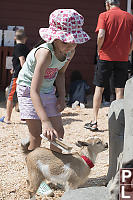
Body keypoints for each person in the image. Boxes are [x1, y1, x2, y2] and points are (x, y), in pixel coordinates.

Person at [16, 9, 90, 196]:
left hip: (48, 90)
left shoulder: (69, 51)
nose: (70, 44)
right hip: (28, 90)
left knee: (58, 133)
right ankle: (36, 176)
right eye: (65, 41)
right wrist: (45, 121)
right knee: (36, 136)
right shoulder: (44, 53)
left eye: (74, 40)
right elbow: (33, 91)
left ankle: (54, 171)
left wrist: (62, 96)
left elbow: (61, 73)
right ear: (54, 38)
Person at [84, 0, 133, 131]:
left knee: (99, 88)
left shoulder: (104, 15)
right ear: (119, 4)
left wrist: (99, 50)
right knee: (119, 89)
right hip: (122, 57)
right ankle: (119, 123)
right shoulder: (129, 16)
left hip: (105, 56)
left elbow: (101, 35)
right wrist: (129, 51)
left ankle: (94, 121)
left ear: (107, 4)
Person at [5, 29, 29, 124]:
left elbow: (21, 60)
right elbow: (17, 61)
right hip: (23, 75)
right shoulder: (26, 48)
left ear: (15, 38)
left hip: (18, 76)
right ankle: (24, 117)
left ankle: (7, 118)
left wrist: (23, 71)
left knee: (10, 96)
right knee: (24, 96)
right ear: (25, 39)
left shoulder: (18, 47)